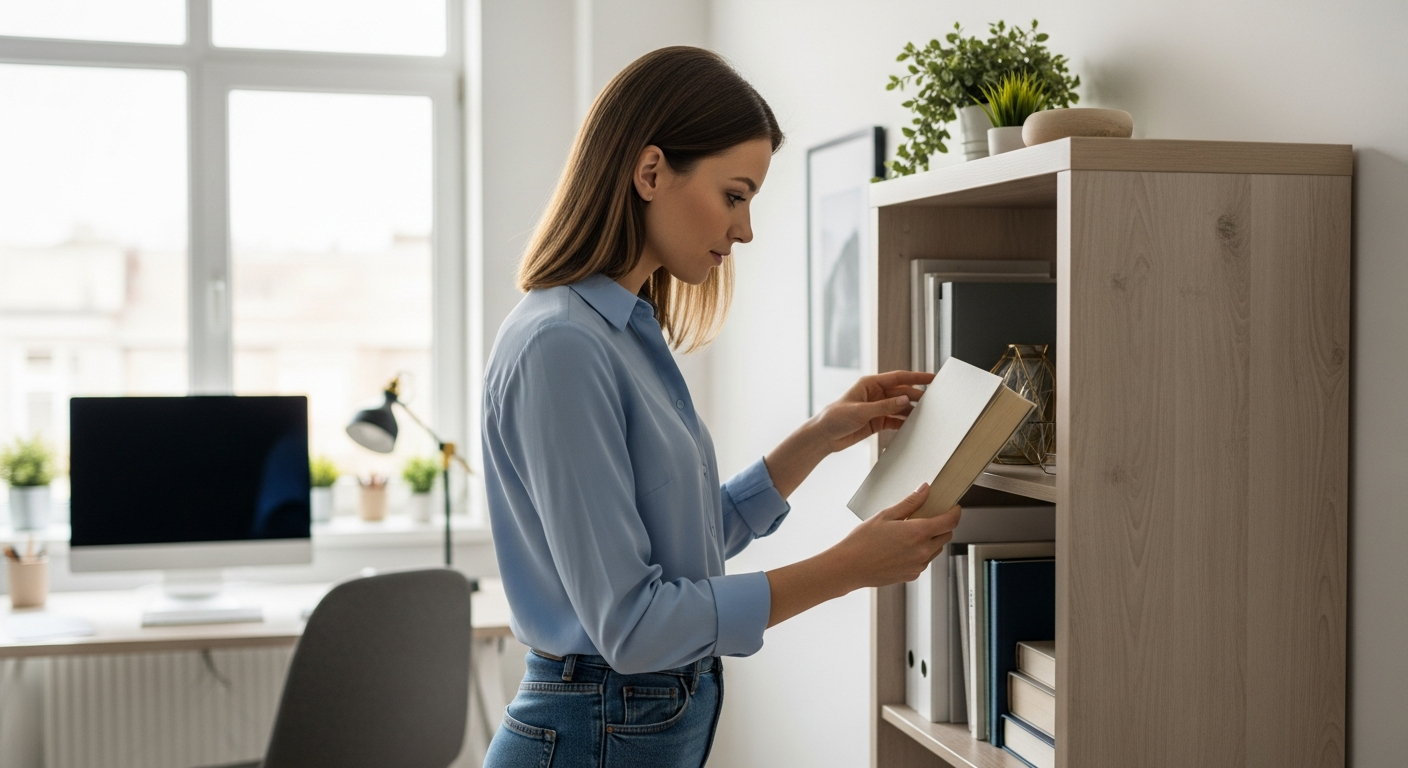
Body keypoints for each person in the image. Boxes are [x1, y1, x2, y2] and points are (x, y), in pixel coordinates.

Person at [481, 46, 961, 767]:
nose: (744, 230)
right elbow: (636, 625)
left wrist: (819, 437)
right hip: (592, 732)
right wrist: (848, 568)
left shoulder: (624, 331)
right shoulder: (562, 346)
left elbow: (689, 539)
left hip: (623, 725)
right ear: (650, 173)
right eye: (734, 195)